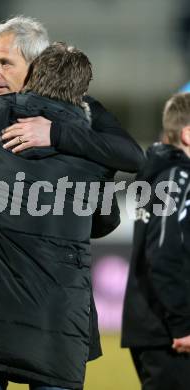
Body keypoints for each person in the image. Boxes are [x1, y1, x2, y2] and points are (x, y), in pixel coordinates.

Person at [0, 16, 144, 248]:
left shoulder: (84, 111)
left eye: (5, 63)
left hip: (56, 266)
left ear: (37, 65)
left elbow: (133, 158)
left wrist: (56, 133)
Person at [121, 93, 190, 390]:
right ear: (188, 134)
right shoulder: (177, 177)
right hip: (168, 332)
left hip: (158, 326)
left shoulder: (161, 174)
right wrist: (182, 324)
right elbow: (163, 253)